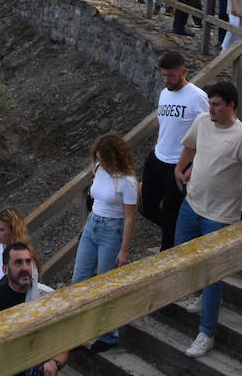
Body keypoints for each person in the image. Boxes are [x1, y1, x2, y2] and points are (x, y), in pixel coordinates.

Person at [175, 81, 242, 359]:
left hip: (221, 217)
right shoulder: (202, 122)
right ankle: (200, 294)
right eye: (210, 103)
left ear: (231, 106)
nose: (211, 109)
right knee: (182, 256)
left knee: (215, 275)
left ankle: (207, 332)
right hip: (192, 204)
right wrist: (180, 168)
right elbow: (190, 145)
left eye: (216, 104)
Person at [72, 133, 137, 352]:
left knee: (104, 284)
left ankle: (109, 334)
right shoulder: (99, 168)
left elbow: (129, 218)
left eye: (104, 158)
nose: (100, 162)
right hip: (92, 225)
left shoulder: (127, 182)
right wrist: (87, 226)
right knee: (79, 278)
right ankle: (75, 328)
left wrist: (124, 250)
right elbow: (95, 198)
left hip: (113, 229)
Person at [142, 53, 208, 251]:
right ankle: (180, 233)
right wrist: (157, 144)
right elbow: (167, 124)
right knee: (146, 206)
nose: (167, 80)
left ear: (183, 72)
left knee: (171, 213)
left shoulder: (197, 97)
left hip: (179, 164)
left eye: (171, 76)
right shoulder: (164, 93)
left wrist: (194, 164)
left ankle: (170, 248)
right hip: (157, 158)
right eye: (164, 75)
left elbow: (206, 134)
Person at [0, 242, 69, 375]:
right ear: (5, 270)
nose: (25, 268)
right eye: (18, 262)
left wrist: (54, 363)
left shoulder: (45, 297)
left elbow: (65, 341)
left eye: (28, 262)